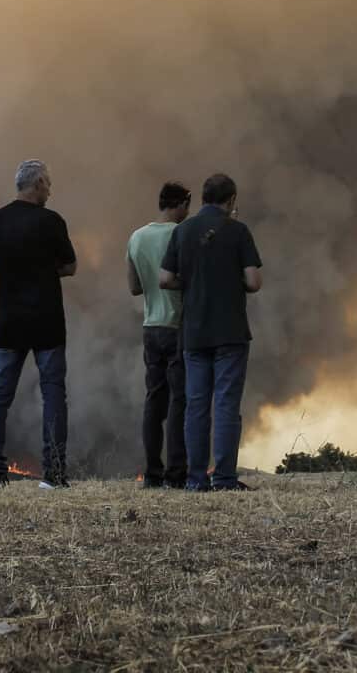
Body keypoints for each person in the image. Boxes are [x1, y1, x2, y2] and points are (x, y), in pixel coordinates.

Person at [160, 173, 262, 492]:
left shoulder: (183, 231)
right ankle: (225, 478)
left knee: (196, 405)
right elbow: (254, 282)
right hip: (230, 331)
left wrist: (190, 284)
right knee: (226, 405)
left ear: (203, 198)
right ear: (231, 200)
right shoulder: (238, 231)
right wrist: (231, 280)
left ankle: (195, 479)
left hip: (194, 332)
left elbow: (165, 279)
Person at [0, 159, 77, 488]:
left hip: (9, 321)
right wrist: (46, 268)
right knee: (52, 395)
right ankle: (53, 475)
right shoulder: (52, 222)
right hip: (47, 321)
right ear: (36, 184)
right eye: (48, 184)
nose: (50, 190)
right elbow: (69, 267)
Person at [128, 182, 192, 488]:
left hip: (150, 327)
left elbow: (134, 287)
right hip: (177, 326)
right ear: (181, 204)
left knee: (154, 403)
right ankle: (176, 474)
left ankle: (152, 474)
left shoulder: (136, 237)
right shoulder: (180, 234)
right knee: (180, 401)